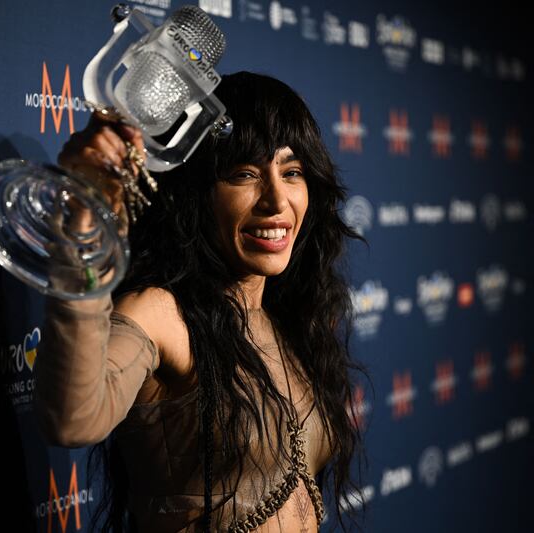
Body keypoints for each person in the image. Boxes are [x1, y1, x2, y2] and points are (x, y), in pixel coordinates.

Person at [33, 72, 368, 532]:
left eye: (292, 172)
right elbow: (73, 419)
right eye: (243, 174)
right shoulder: (160, 313)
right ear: (195, 193)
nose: (276, 200)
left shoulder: (287, 317)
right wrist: (84, 222)